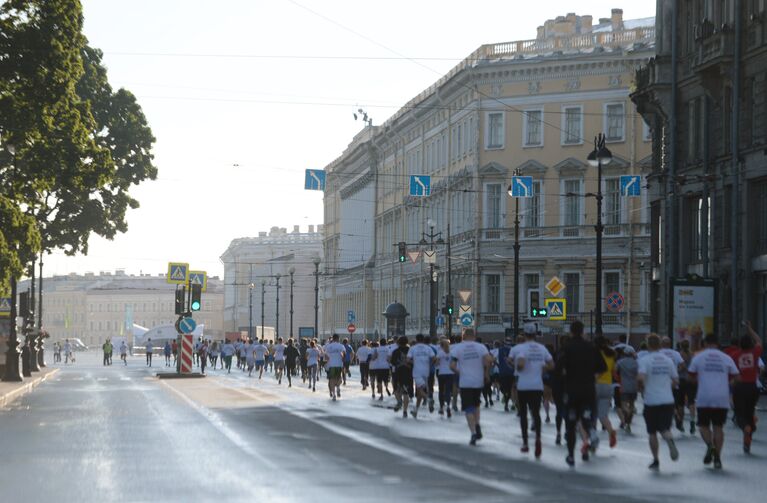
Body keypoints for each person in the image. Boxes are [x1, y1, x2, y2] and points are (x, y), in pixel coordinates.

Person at [688, 332, 740, 469]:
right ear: (718, 343)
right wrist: (727, 382)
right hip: (721, 397)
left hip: (704, 397)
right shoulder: (726, 358)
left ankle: (710, 445)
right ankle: (717, 457)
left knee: (703, 426)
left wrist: (699, 381)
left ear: (704, 344)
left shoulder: (698, 357)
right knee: (718, 427)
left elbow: (691, 376)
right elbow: (737, 377)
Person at [558, 320, 606, 466]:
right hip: (588, 390)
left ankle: (571, 456)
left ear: (571, 331)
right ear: (583, 331)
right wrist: (592, 377)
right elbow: (602, 367)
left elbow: (559, 368)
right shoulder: (591, 347)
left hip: (572, 390)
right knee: (586, 417)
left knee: (571, 424)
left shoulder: (567, 347)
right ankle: (591, 433)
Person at [509, 322, 553, 458]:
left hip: (523, 386)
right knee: (536, 413)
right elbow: (552, 365)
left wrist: (516, 366)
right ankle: (538, 438)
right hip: (537, 386)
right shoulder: (542, 348)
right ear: (535, 334)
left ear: (525, 333)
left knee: (523, 414)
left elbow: (510, 361)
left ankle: (525, 443)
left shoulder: (517, 349)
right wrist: (541, 368)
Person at [638, 334, 680, 470]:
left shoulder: (645, 360)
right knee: (665, 428)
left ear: (648, 344)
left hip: (651, 400)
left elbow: (640, 378)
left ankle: (656, 460)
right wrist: (667, 387)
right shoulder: (668, 360)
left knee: (652, 432)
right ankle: (669, 438)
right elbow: (676, 381)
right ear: (660, 345)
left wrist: (642, 389)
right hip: (668, 399)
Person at [450, 328, 494, 446]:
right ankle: (478, 424)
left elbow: (452, 366)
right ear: (474, 336)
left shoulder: (458, 348)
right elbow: (489, 360)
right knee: (476, 404)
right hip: (478, 381)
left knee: (468, 408)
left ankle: (473, 432)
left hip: (465, 382)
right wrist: (486, 373)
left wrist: (460, 372)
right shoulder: (481, 347)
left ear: (463, 336)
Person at [730, 321, 763, 453]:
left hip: (740, 387)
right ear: (751, 344)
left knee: (740, 414)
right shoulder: (755, 352)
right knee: (749, 413)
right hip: (753, 387)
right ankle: (748, 438)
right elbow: (759, 340)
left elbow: (731, 372)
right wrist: (750, 329)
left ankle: (746, 428)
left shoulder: (735, 355)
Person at [594, 335, 618, 450]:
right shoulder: (611, 354)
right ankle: (610, 431)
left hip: (595, 385)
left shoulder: (594, 354)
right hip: (608, 386)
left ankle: (593, 438)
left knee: (592, 413)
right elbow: (614, 371)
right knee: (603, 415)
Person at [407, 334, 437, 418]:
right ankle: (415, 411)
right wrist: (430, 364)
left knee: (419, 390)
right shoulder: (428, 348)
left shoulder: (413, 348)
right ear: (423, 340)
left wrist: (414, 362)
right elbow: (434, 359)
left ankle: (428, 399)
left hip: (417, 371)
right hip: (426, 371)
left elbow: (408, 360)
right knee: (420, 392)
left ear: (416, 340)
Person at [615, 345, 639, 434]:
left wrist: (618, 378)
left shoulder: (620, 362)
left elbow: (615, 371)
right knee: (632, 403)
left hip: (624, 385)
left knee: (624, 404)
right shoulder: (636, 362)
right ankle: (628, 422)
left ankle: (627, 413)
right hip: (634, 386)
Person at [677, 339, 697, 434]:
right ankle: (692, 420)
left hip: (681, 380)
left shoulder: (680, 355)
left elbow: (681, 367)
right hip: (691, 380)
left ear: (681, 346)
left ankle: (680, 423)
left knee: (680, 403)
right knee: (691, 401)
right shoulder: (692, 354)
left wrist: (676, 371)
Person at [391, 336, 413, 417]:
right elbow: (413, 361)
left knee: (396, 389)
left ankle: (399, 401)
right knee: (405, 392)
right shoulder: (410, 351)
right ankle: (405, 411)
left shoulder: (395, 351)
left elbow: (392, 362)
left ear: (398, 342)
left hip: (398, 373)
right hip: (408, 373)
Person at [436, 338, 455, 418]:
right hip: (450, 373)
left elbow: (437, 363)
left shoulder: (440, 353)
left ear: (441, 346)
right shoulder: (452, 353)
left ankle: (441, 407)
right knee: (448, 390)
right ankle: (448, 406)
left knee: (441, 390)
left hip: (442, 373)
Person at [324, 334, 346, 401]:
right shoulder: (341, 346)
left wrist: (328, 361)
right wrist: (342, 358)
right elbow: (344, 353)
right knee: (339, 377)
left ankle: (334, 395)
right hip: (339, 365)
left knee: (332, 380)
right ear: (338, 338)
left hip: (331, 365)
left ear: (333, 338)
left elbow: (326, 356)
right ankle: (338, 387)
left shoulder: (329, 346)